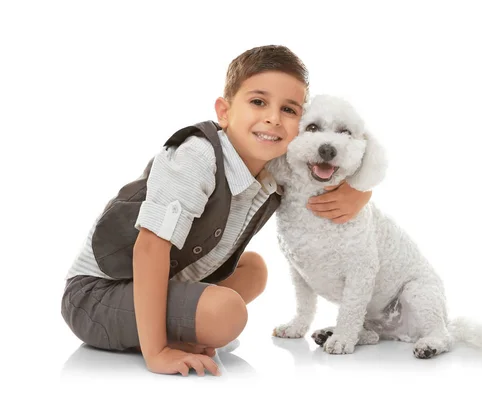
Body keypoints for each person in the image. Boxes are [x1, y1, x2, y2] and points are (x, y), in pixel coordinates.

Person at [61, 45, 372, 377]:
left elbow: (344, 155)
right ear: (224, 111)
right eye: (258, 102)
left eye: (289, 109)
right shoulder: (198, 156)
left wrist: (360, 193)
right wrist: (158, 352)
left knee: (254, 269)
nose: (272, 117)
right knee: (227, 315)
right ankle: (162, 338)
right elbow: (150, 248)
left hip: (166, 279)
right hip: (97, 294)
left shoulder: (277, 165)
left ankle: (180, 328)